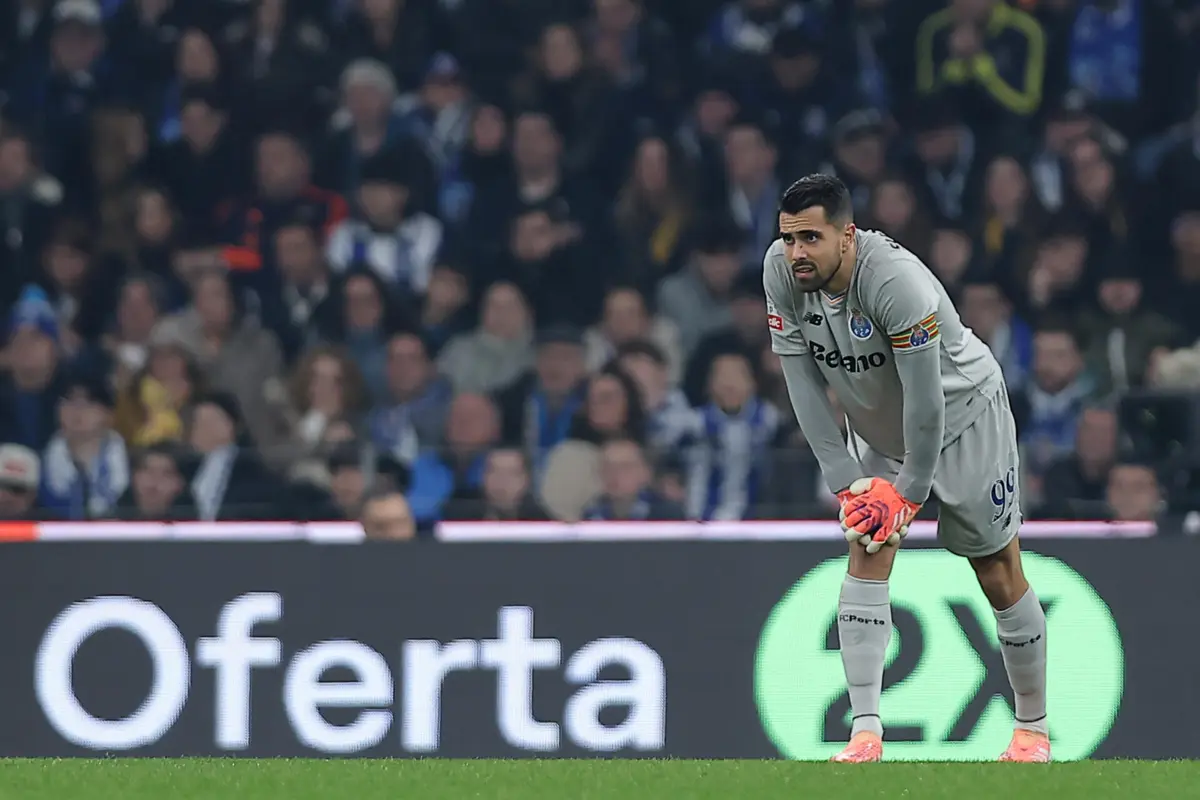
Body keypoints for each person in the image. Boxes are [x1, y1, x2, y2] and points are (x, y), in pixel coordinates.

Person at [766, 174, 1049, 763]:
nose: (796, 253)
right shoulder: (780, 273)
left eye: (811, 238)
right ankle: (865, 733)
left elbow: (927, 399)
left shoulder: (897, 282)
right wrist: (846, 480)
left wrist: (909, 494)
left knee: (997, 570)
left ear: (847, 236)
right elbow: (802, 382)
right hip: (879, 427)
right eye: (789, 238)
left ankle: (1032, 729)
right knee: (867, 549)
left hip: (964, 418)